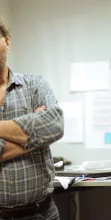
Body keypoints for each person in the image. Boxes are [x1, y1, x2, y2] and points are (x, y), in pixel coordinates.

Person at [0, 17, 64, 219]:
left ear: (7, 42)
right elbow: (45, 133)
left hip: (42, 213)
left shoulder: (34, 84)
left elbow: (55, 125)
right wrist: (35, 137)